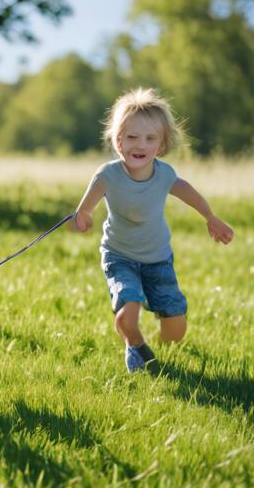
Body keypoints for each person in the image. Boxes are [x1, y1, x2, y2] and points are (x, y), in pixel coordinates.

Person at [75, 87, 234, 374]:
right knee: (128, 310)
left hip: (158, 258)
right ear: (118, 141)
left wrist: (211, 216)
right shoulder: (107, 175)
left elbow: (188, 192)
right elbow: (85, 207)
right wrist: (85, 215)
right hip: (119, 256)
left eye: (150, 139)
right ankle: (137, 348)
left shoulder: (164, 175)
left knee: (175, 330)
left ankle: (157, 345)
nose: (141, 145)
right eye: (132, 137)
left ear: (161, 145)